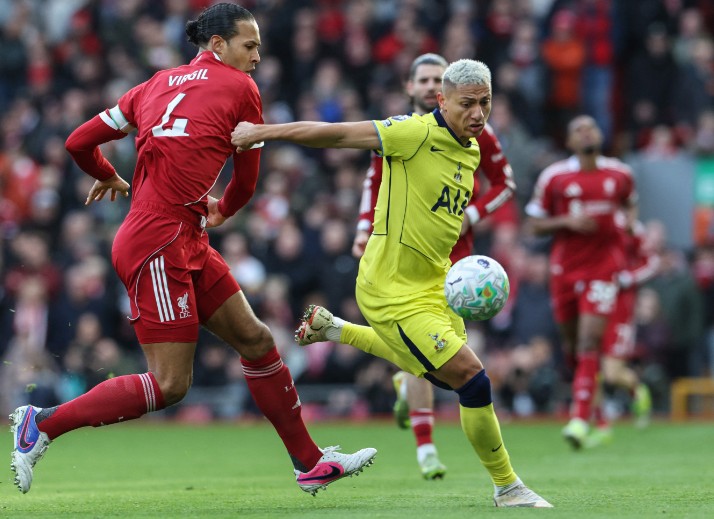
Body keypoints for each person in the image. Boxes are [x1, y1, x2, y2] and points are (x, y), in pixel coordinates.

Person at [10, 3, 376, 496]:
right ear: (218, 45)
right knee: (170, 385)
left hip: (175, 235)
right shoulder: (241, 88)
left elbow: (78, 142)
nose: (257, 57)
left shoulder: (153, 84)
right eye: (250, 46)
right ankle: (42, 423)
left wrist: (107, 176)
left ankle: (310, 463)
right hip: (160, 242)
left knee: (256, 340)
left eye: (261, 48)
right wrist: (224, 208)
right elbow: (246, 185)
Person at [232, 58, 552, 508]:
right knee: (473, 381)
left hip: (435, 286)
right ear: (442, 100)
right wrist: (261, 132)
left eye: (485, 103)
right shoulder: (413, 132)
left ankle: (335, 329)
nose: (478, 113)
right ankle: (508, 487)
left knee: (447, 381)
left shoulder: (472, 150)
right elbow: (336, 134)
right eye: (467, 104)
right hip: (391, 289)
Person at [351, 53, 516, 480]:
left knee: (448, 356)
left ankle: (401, 369)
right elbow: (374, 183)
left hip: (457, 259)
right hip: (404, 260)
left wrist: (472, 216)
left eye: (433, 78)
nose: (427, 87)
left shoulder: (478, 130)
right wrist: (362, 230)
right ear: (414, 89)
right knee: (446, 358)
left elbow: (506, 185)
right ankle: (426, 449)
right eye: (421, 80)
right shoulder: (403, 132)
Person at [524, 114, 637, 450]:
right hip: (565, 269)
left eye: (591, 127)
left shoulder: (620, 173)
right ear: (570, 142)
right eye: (578, 129)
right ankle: (599, 415)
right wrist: (567, 221)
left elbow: (630, 202)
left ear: (599, 135)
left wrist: (629, 224)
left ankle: (578, 419)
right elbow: (534, 224)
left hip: (603, 268)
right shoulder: (555, 177)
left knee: (590, 341)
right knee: (574, 348)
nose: (586, 132)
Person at [586, 217, 660, 447]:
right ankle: (601, 425)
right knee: (589, 364)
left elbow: (652, 261)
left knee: (612, 373)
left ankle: (637, 389)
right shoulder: (591, 222)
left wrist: (628, 278)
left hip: (620, 307)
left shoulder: (631, 226)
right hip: (594, 298)